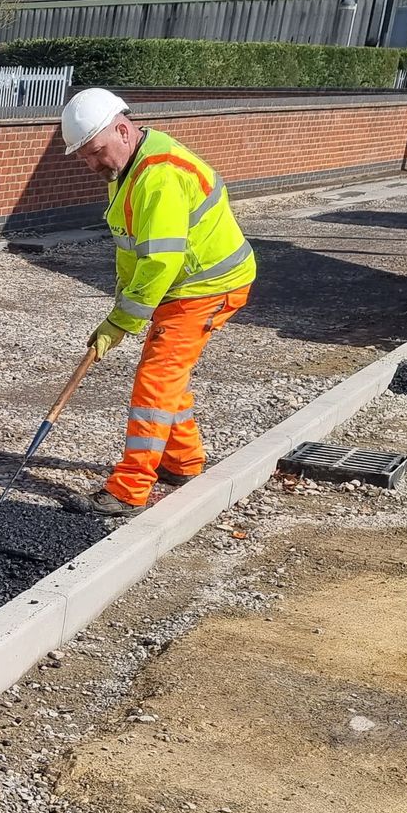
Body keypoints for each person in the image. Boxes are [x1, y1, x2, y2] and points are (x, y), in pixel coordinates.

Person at [58, 87, 256, 517]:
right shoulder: (127, 168)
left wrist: (121, 323)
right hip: (183, 285)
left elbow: (161, 260)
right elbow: (132, 250)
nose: (92, 165)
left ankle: (129, 490)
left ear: (122, 130)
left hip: (207, 285)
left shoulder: (159, 176)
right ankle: (183, 463)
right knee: (168, 375)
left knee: (156, 378)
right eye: (85, 158)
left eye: (95, 152)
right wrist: (120, 310)